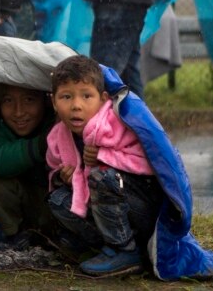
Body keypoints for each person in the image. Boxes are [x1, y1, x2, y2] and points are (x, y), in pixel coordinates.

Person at [46, 55, 161, 277]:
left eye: (87, 96)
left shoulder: (117, 124)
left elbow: (149, 164)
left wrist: (105, 155)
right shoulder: (57, 136)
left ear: (103, 99)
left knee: (102, 176)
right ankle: (111, 246)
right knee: (57, 200)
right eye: (66, 97)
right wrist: (63, 178)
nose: (76, 106)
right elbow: (53, 169)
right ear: (53, 101)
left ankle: (124, 250)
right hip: (108, 211)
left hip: (141, 208)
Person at [0, 85, 55, 249]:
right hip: (23, 202)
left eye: (29, 100)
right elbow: (0, 161)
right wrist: (44, 143)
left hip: (54, 206)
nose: (18, 112)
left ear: (47, 100)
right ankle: (14, 235)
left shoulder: (59, 119)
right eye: (8, 100)